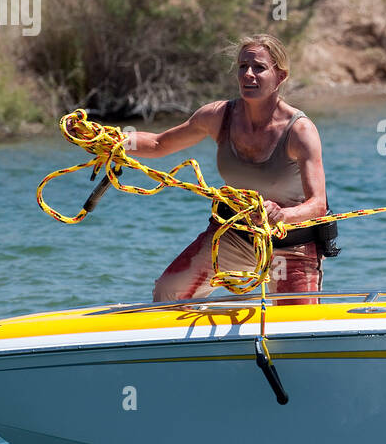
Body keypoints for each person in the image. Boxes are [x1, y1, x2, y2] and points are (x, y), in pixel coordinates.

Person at [130, 34, 330, 305]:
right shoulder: (217, 116)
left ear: (280, 76)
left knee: (295, 325)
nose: (248, 74)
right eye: (242, 67)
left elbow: (318, 204)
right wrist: (111, 139)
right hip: (232, 236)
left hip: (290, 247)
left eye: (259, 67)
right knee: (168, 293)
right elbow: (157, 143)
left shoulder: (300, 131)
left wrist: (283, 214)